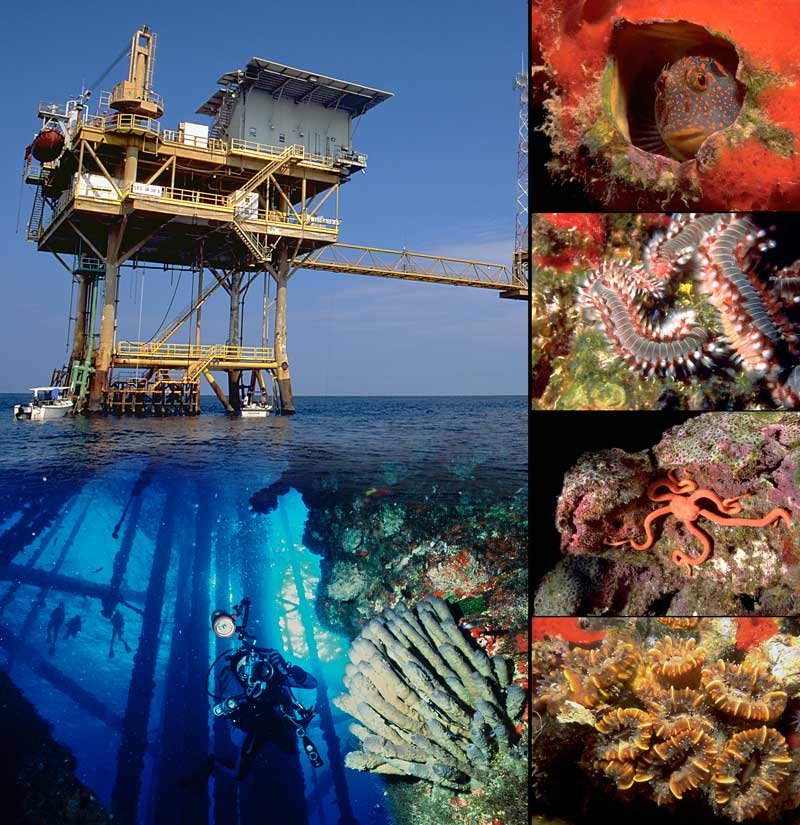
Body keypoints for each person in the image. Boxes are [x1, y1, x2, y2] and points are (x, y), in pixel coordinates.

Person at [209, 647, 320, 781]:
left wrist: (293, 671)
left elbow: (312, 683)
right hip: (252, 730)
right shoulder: (234, 686)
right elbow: (227, 721)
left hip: (276, 722)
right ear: (236, 673)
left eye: (251, 664)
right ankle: (213, 763)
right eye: (243, 668)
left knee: (290, 748)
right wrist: (243, 712)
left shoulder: (270, 674)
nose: (249, 671)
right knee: (239, 774)